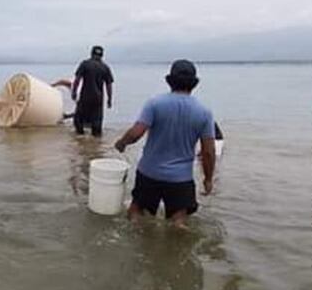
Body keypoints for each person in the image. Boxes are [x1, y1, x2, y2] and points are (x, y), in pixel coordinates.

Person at [114, 59, 216, 226]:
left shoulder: (155, 104)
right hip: (180, 179)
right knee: (179, 221)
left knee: (136, 212)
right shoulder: (204, 112)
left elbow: (136, 133)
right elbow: (208, 152)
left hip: (149, 173)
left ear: (170, 81)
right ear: (194, 84)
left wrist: (122, 143)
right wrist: (208, 178)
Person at [71, 45, 114, 137]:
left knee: (78, 121)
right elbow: (109, 85)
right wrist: (109, 99)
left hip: (85, 98)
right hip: (98, 100)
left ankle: (80, 141)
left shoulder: (85, 64)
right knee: (97, 126)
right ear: (102, 55)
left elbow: (77, 80)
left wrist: (74, 92)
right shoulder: (105, 67)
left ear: (91, 53)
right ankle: (96, 147)